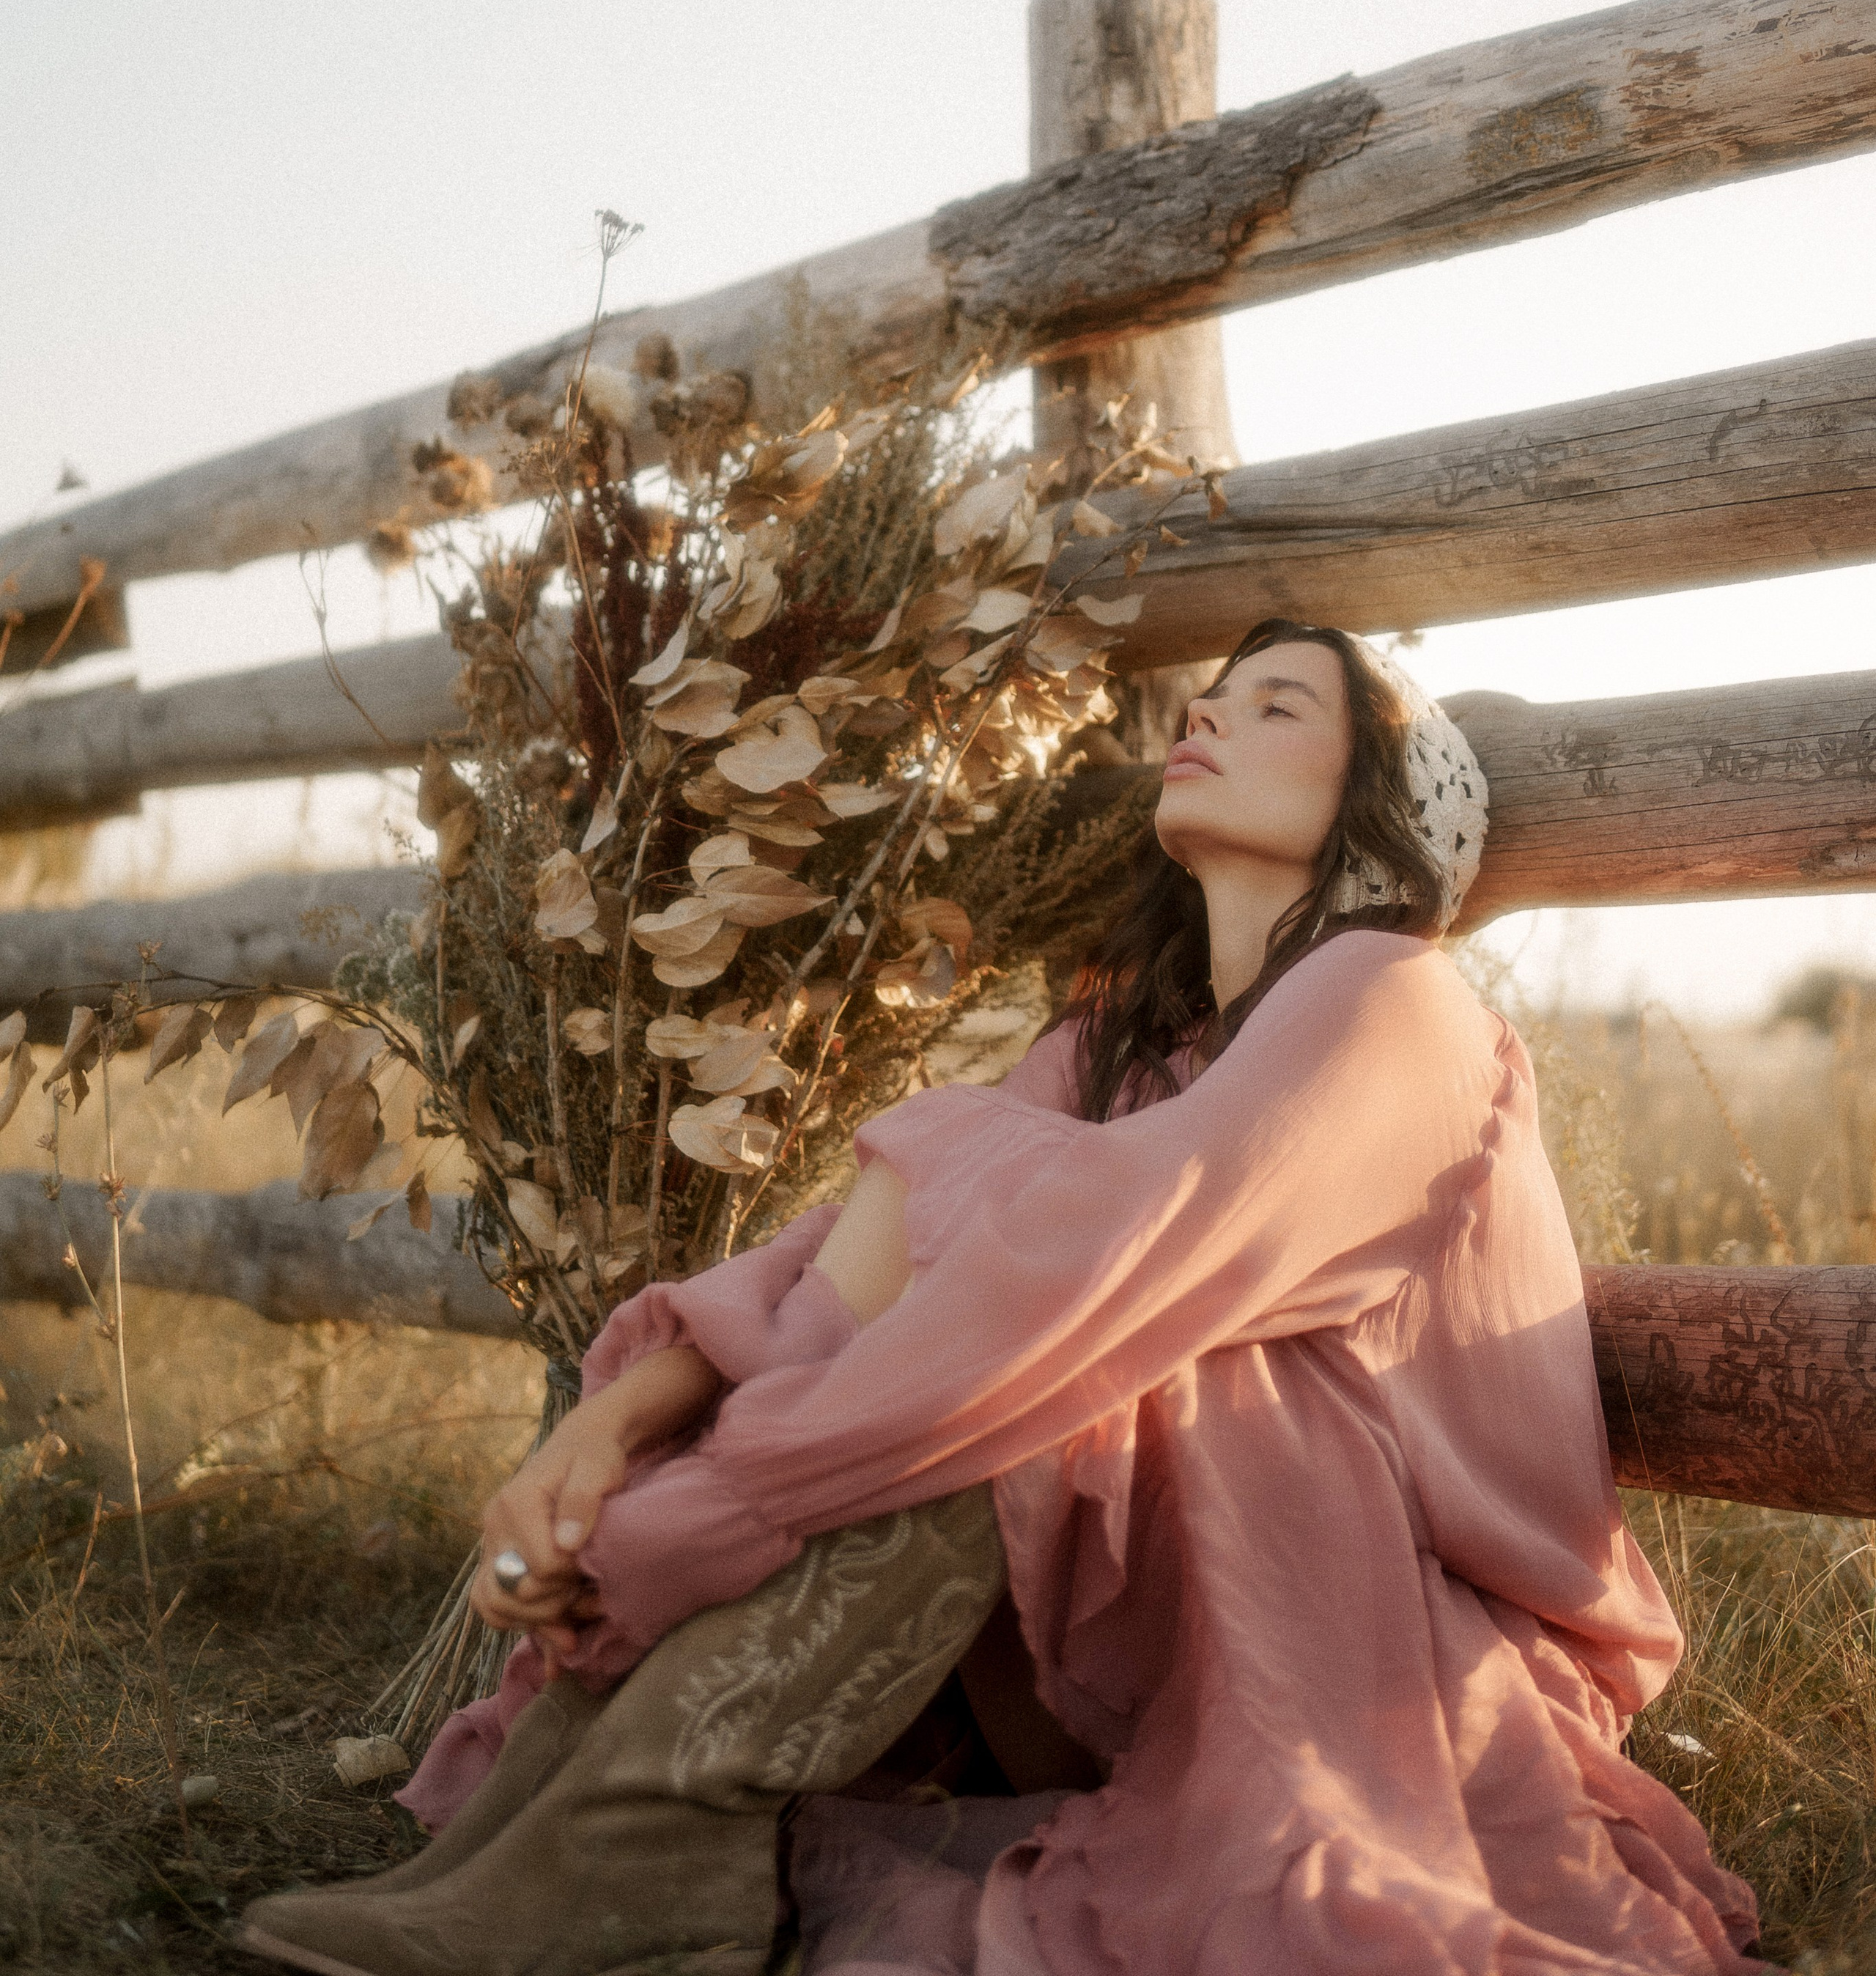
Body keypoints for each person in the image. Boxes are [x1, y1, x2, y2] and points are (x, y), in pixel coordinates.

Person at [241, 619, 1767, 1976]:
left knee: (1054, 1341)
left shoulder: (1396, 999)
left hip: (1356, 1653)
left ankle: (647, 1837)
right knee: (976, 1280)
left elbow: (1096, 1265)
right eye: (1214, 694)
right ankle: (567, 1847)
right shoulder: (1122, 1053)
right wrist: (614, 1420)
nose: (1211, 717)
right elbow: (846, 1241)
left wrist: (726, 1501)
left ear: (1376, 810)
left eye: (1279, 706)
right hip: (1133, 1625)